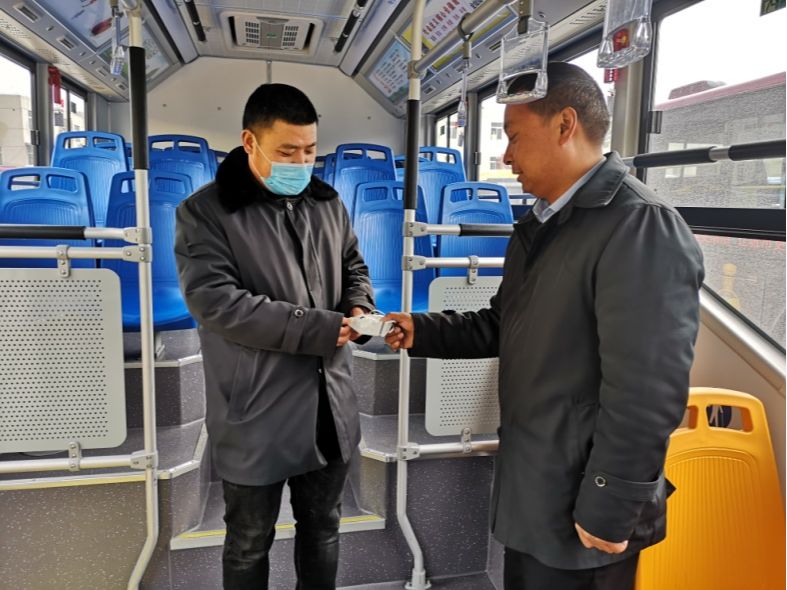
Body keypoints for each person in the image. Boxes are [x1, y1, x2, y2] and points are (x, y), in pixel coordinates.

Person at [385, 62, 704, 590]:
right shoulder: (542, 222)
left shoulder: (638, 225)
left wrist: (610, 503)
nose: (506, 156)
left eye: (514, 137)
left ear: (564, 125)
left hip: (586, 502)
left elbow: (648, 390)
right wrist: (423, 330)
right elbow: (502, 322)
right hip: (538, 487)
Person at [175, 83, 374, 589]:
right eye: (287, 152)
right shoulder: (206, 213)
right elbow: (218, 303)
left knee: (323, 529)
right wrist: (322, 328)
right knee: (248, 541)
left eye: (310, 150)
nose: (301, 163)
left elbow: (354, 265)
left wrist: (359, 306)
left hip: (328, 402)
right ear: (250, 142)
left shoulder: (328, 204)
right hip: (256, 406)